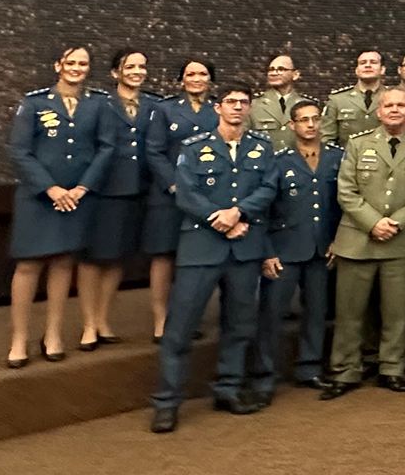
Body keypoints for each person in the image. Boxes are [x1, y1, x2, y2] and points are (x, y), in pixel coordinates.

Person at [149, 83, 278, 432]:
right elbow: (185, 192)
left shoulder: (261, 147)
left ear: (249, 108)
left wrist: (238, 214)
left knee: (239, 325)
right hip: (201, 247)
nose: (237, 107)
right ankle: (167, 402)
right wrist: (217, 220)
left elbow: (269, 187)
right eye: (231, 102)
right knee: (180, 328)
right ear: (218, 108)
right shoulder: (194, 147)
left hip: (244, 247)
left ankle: (228, 388)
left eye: (243, 103)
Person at [322, 87, 405, 398]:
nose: (395, 110)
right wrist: (374, 223)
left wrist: (395, 223)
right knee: (350, 312)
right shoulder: (358, 145)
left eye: (402, 105)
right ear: (378, 111)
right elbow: (346, 191)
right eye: (389, 105)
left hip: (402, 241)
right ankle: (346, 370)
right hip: (358, 239)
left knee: (397, 312)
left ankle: (392, 367)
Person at [6, 45, 113, 369]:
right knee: (28, 266)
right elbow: (19, 151)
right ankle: (19, 340)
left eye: (83, 63)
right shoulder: (35, 102)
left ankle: (52, 335)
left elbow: (106, 148)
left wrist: (81, 188)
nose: (77, 68)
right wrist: (51, 188)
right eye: (71, 62)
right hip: (39, 197)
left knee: (64, 263)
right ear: (58, 65)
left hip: (77, 197)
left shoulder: (98, 104)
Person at [247, 97, 342, 405]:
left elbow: (342, 207)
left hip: (321, 248)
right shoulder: (278, 161)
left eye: (316, 119)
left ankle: (309, 368)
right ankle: (264, 377)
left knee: (315, 312)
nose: (311, 124)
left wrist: (338, 242)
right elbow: (262, 211)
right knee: (271, 315)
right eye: (304, 119)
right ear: (292, 125)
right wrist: (266, 251)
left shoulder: (336, 158)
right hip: (283, 250)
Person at [78, 48, 157, 351]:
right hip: (102, 189)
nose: (137, 71)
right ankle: (87, 324)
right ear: (115, 73)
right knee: (92, 259)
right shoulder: (99, 103)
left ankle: (102, 320)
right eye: (130, 66)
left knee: (117, 257)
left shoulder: (153, 105)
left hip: (136, 188)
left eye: (142, 66)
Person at [143, 57, 219, 341]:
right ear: (181, 80)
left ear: (210, 80)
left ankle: (190, 318)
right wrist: (174, 184)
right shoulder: (164, 109)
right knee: (163, 256)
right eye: (190, 73)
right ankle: (161, 321)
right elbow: (153, 151)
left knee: (195, 259)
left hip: (206, 198)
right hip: (169, 194)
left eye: (202, 73)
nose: (196, 78)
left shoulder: (218, 111)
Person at [320, 48, 388, 145]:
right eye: (363, 63)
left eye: (373, 62)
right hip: (348, 157)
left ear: (382, 69)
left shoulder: (394, 97)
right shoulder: (338, 100)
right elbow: (326, 138)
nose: (368, 65)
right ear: (356, 70)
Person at [249, 54, 302, 152]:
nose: (274, 73)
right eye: (271, 69)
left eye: (281, 69)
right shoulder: (254, 104)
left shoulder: (306, 104)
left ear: (295, 74)